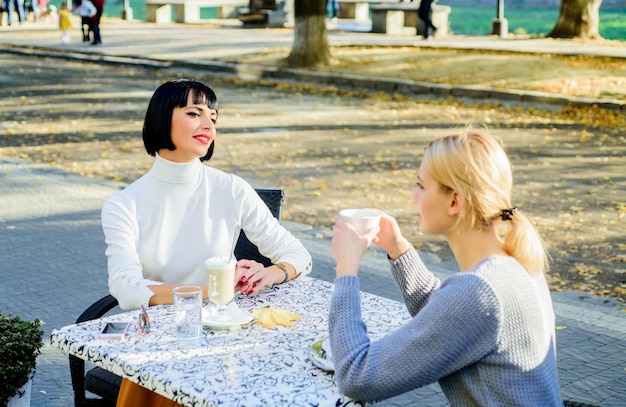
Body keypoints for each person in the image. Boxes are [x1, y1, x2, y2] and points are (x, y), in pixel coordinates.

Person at [101, 78, 312, 406]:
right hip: (161, 347)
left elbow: (298, 254)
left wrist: (273, 273)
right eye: (194, 113)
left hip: (228, 339)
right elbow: (126, 289)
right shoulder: (124, 204)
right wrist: (216, 290)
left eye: (212, 117)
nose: (207, 125)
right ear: (161, 118)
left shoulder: (230, 188)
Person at [329, 129, 563, 405]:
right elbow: (450, 317)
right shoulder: (519, 261)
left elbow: (357, 377)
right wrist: (398, 248)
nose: (415, 198)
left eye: (421, 186)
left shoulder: (481, 290)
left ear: (455, 201)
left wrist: (346, 267)